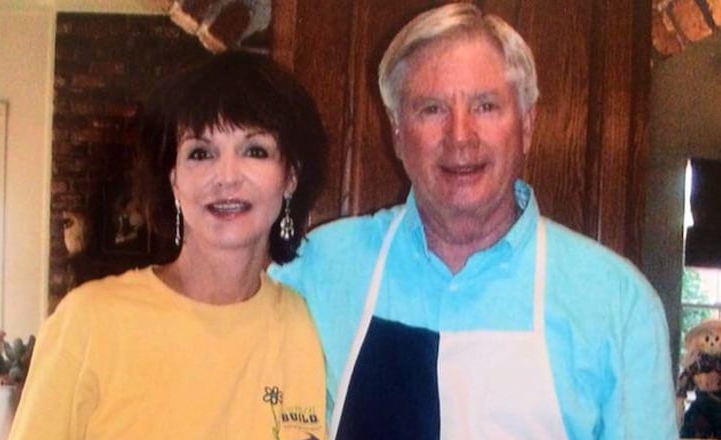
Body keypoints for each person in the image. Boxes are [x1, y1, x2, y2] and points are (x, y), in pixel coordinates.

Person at [269, 3, 678, 439]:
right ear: (397, 132)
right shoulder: (317, 272)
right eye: (431, 109)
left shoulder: (618, 303)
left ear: (526, 125)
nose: (460, 136)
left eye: (485, 106)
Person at [9, 51, 327, 439]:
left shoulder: (303, 324)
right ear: (174, 180)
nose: (226, 176)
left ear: (290, 176)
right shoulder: (89, 321)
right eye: (201, 153)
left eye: (255, 150)